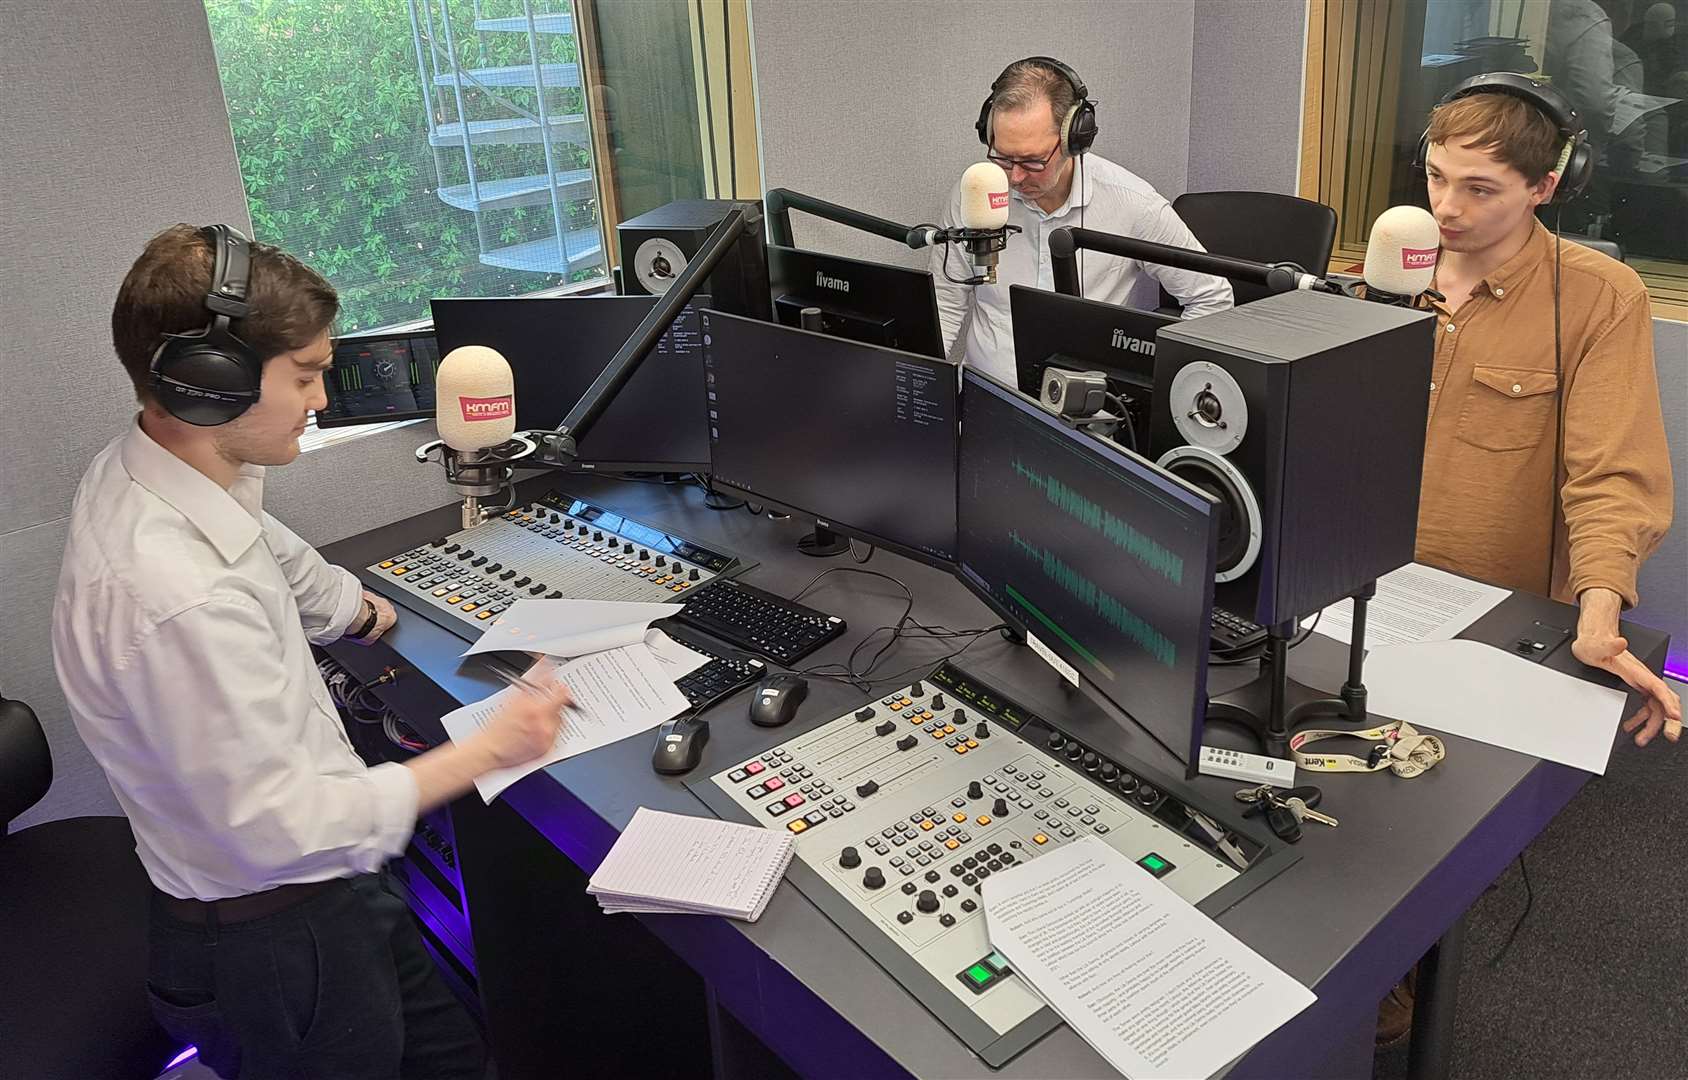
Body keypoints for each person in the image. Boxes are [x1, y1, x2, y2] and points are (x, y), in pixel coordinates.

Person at [52, 224, 571, 1079]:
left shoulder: (159, 463)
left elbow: (255, 535)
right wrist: (492, 748)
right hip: (273, 932)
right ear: (210, 385)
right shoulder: (173, 597)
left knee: (455, 1060)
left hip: (335, 896)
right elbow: (286, 831)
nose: (323, 398)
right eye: (304, 376)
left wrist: (349, 609)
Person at [1376, 76, 1681, 1048]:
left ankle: (1409, 973)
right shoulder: (1393, 272)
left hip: (1483, 618)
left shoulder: (1597, 299)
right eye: (1434, 178)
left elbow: (1611, 477)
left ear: (1546, 186)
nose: (1447, 209)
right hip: (1362, 591)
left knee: (1431, 829)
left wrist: (1598, 611)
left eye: (1479, 189)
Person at [930, 57, 1232, 385]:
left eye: (1032, 161)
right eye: (1002, 157)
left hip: (1088, 418)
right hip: (984, 404)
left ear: (1075, 141)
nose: (1014, 176)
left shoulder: (1133, 204)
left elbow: (1211, 297)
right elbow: (944, 304)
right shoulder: (974, 194)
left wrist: (1163, 386)